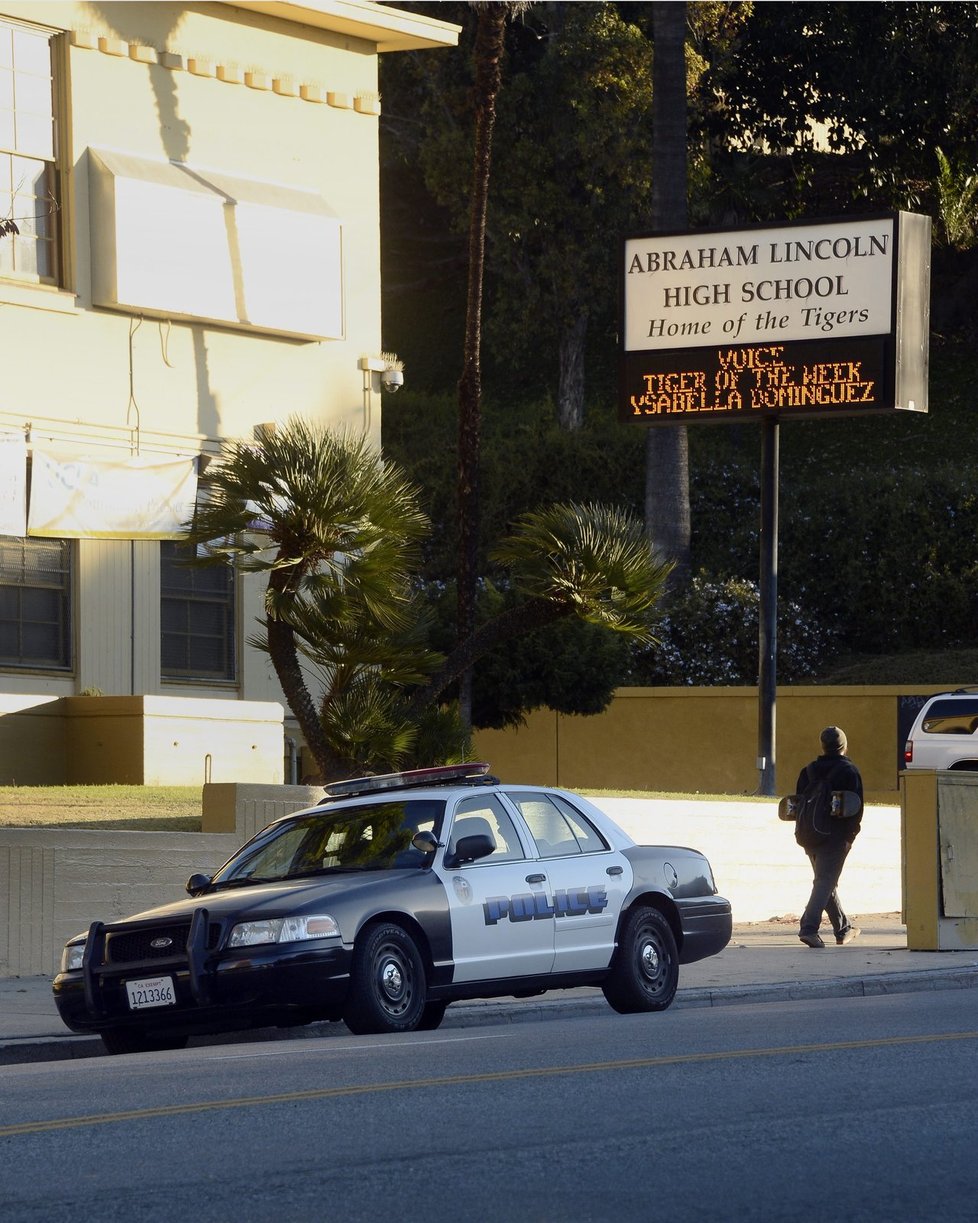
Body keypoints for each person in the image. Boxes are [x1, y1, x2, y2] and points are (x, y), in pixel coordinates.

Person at [794, 725, 864, 949]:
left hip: (809, 833)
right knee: (824, 881)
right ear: (843, 746)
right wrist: (850, 835)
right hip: (835, 837)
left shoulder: (809, 770)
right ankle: (809, 928)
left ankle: (843, 929)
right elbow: (856, 807)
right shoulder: (849, 771)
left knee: (826, 881)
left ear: (823, 746)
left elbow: (798, 803)